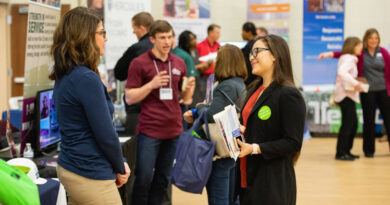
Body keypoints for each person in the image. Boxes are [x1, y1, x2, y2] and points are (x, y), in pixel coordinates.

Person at [50, 7, 130, 204]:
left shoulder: (68, 73)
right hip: (89, 171)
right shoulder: (86, 78)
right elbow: (105, 135)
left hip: (72, 166)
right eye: (102, 33)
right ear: (85, 36)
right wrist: (121, 166)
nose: (106, 38)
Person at [125, 20, 195, 205]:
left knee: (163, 179)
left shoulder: (179, 62)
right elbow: (129, 97)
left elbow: (184, 98)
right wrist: (152, 84)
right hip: (150, 130)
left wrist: (189, 91)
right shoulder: (139, 63)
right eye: (162, 37)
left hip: (173, 129)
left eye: (170, 37)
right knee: (144, 178)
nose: (167, 41)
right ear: (152, 39)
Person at [236, 35, 305, 205]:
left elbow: (293, 142)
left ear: (275, 55)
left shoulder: (288, 94)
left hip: (272, 182)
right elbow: (256, 126)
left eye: (257, 51)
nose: (251, 57)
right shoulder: (254, 88)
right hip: (246, 178)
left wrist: (255, 148)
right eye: (251, 53)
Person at [183, 44, 247, 205]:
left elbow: (212, 115)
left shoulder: (226, 86)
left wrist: (199, 107)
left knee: (218, 199)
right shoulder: (239, 84)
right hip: (230, 148)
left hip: (219, 150)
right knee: (228, 196)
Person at [318, 28, 390, 158]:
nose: (373, 41)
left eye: (376, 38)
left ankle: (345, 151)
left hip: (383, 90)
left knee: (384, 120)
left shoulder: (383, 52)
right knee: (365, 122)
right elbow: (343, 55)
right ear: (366, 40)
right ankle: (366, 151)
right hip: (365, 91)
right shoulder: (358, 54)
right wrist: (328, 54)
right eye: (370, 38)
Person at [114, 12, 154, 135]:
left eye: (134, 29)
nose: (133, 32)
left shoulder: (137, 49)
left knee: (136, 149)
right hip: (160, 110)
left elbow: (119, 73)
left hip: (138, 109)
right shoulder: (164, 49)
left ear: (141, 28)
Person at [333, 37, 363, 160]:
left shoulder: (347, 58)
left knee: (352, 124)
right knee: (348, 124)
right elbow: (342, 72)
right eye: (358, 45)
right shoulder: (349, 59)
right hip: (346, 96)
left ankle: (346, 150)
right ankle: (341, 153)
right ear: (352, 46)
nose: (360, 48)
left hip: (347, 95)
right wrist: (355, 83)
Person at [178, 30, 212, 106]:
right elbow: (186, 69)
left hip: (198, 84)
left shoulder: (195, 52)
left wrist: (207, 66)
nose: (195, 41)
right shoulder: (182, 54)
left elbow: (199, 70)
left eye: (195, 39)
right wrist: (198, 66)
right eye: (192, 40)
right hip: (187, 86)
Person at [241, 22, 257, 86]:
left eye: (243, 31)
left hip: (250, 81)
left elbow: (248, 66)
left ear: (249, 32)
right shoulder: (254, 44)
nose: (242, 34)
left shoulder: (249, 47)